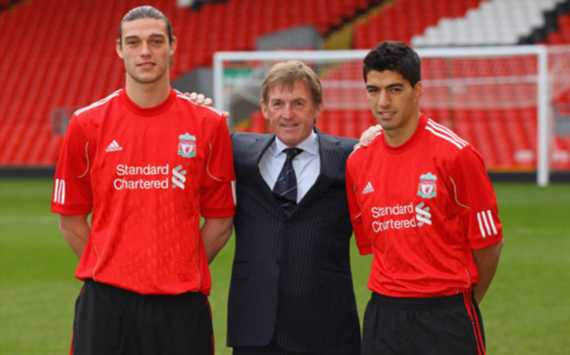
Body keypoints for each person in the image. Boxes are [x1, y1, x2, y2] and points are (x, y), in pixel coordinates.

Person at [51, 6, 235, 355]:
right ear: (119, 49)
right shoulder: (86, 124)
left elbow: (220, 221)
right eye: (133, 43)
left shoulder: (208, 125)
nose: (145, 51)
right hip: (106, 304)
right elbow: (70, 219)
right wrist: (114, 266)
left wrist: (180, 266)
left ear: (172, 45)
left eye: (155, 41)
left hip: (180, 307)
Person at [346, 41, 504, 355]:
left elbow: (488, 245)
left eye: (394, 89)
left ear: (417, 90)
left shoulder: (456, 155)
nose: (383, 102)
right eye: (373, 90)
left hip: (445, 314)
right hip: (384, 314)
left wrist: (460, 301)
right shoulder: (358, 162)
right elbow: (376, 245)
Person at [228, 60, 361, 355]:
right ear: (263, 109)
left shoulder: (350, 157)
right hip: (255, 331)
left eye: (298, 103)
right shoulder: (239, 152)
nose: (287, 114)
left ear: (317, 107)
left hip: (327, 330)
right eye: (278, 103)